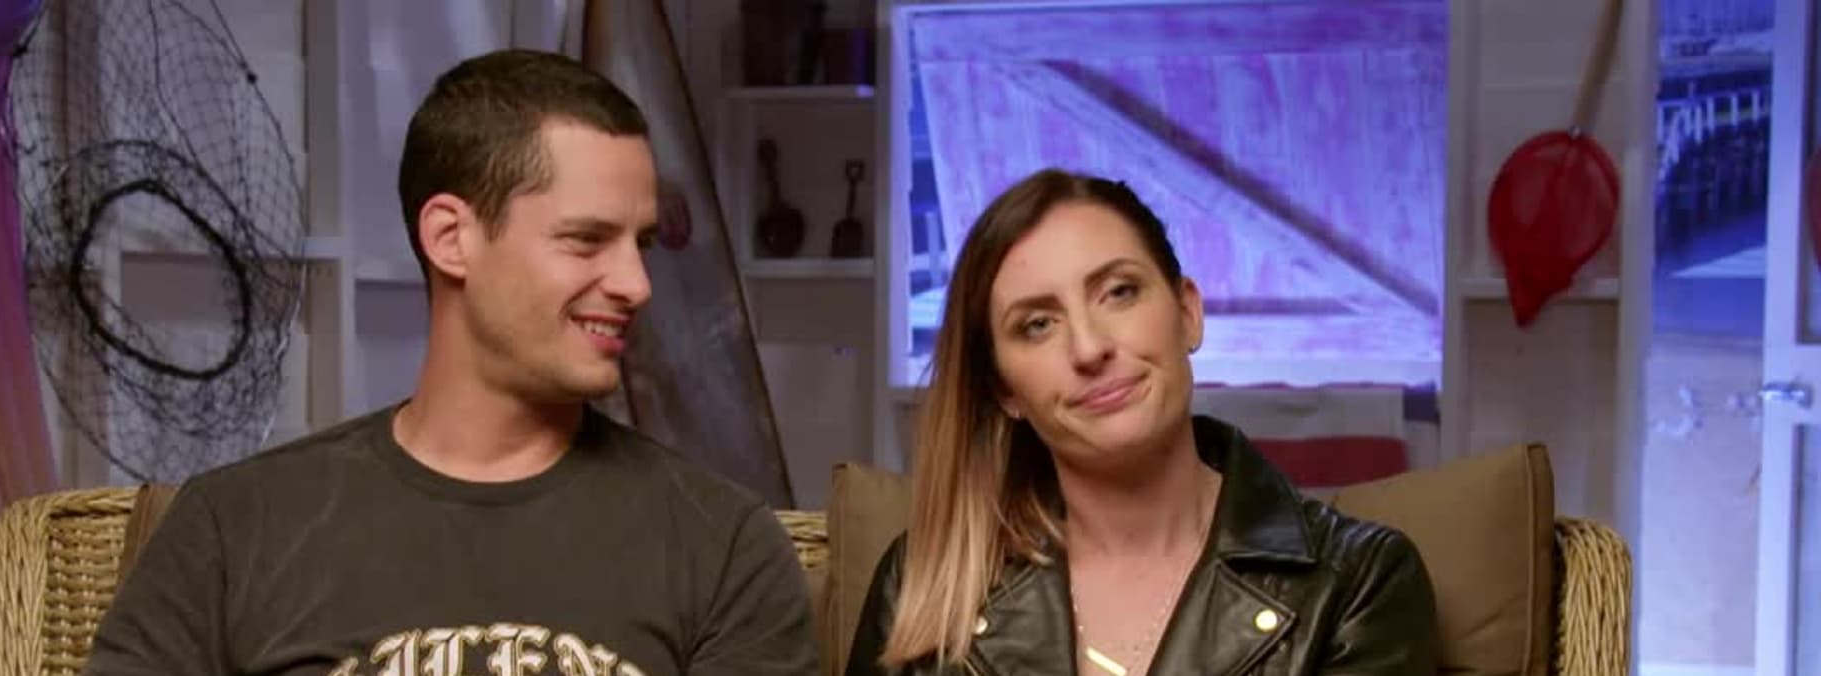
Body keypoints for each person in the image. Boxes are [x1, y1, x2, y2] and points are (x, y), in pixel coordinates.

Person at [85, 49, 818, 676]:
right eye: (587, 240)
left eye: (641, 244)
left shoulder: (722, 546)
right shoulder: (235, 528)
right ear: (450, 238)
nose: (636, 283)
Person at [845, 169, 1438, 676]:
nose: (1089, 348)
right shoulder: (917, 582)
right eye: (1037, 325)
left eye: (1119, 292)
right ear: (1004, 389)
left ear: (1187, 313)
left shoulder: (1356, 582)